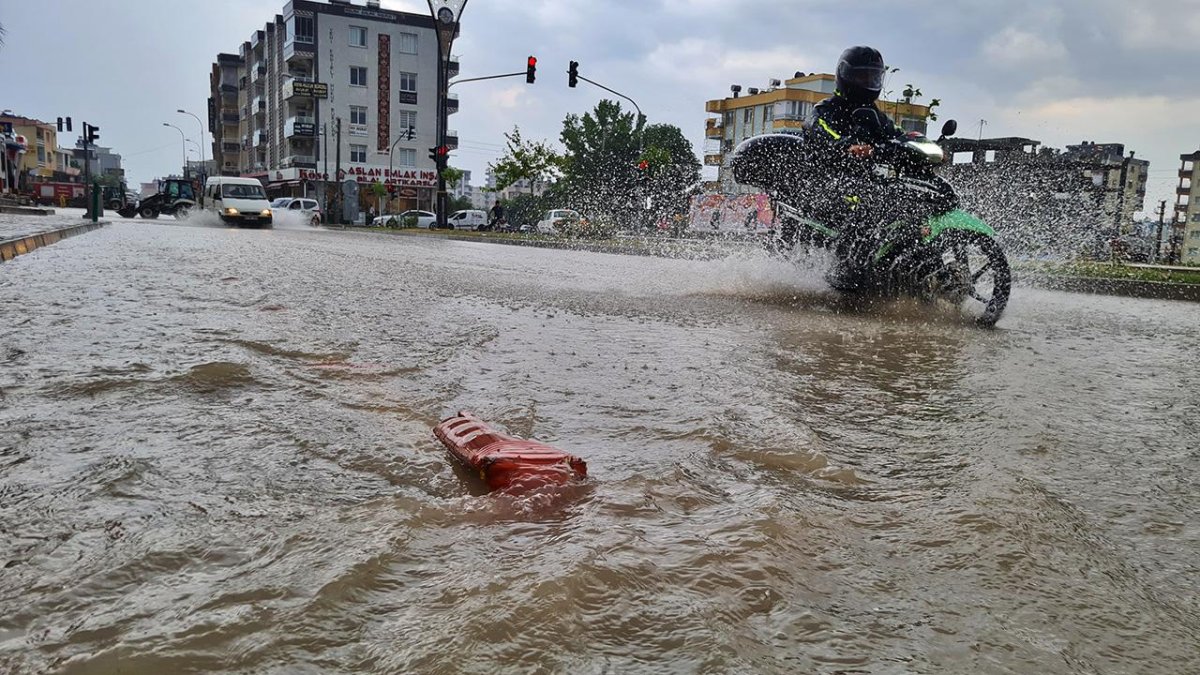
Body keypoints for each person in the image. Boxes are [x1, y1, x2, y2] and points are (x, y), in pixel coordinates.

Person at [805, 45, 907, 289]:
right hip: (824, 181)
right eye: (862, 76)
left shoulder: (875, 115)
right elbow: (820, 130)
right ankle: (845, 268)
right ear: (845, 75)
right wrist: (846, 146)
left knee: (899, 197)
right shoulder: (826, 109)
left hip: (862, 181)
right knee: (869, 199)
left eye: (873, 77)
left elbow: (897, 135)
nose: (868, 82)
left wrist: (919, 145)